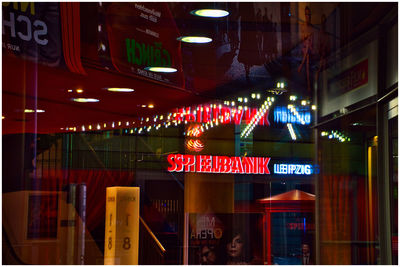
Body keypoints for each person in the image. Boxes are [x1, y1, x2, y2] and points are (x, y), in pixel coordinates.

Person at [298, 6, 315, 92]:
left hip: (310, 49)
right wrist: (305, 38)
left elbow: (313, 41)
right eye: (306, 14)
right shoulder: (302, 26)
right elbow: (301, 39)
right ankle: (308, 85)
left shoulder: (313, 28)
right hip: (305, 49)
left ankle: (301, 65)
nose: (308, 16)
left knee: (308, 54)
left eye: (309, 14)